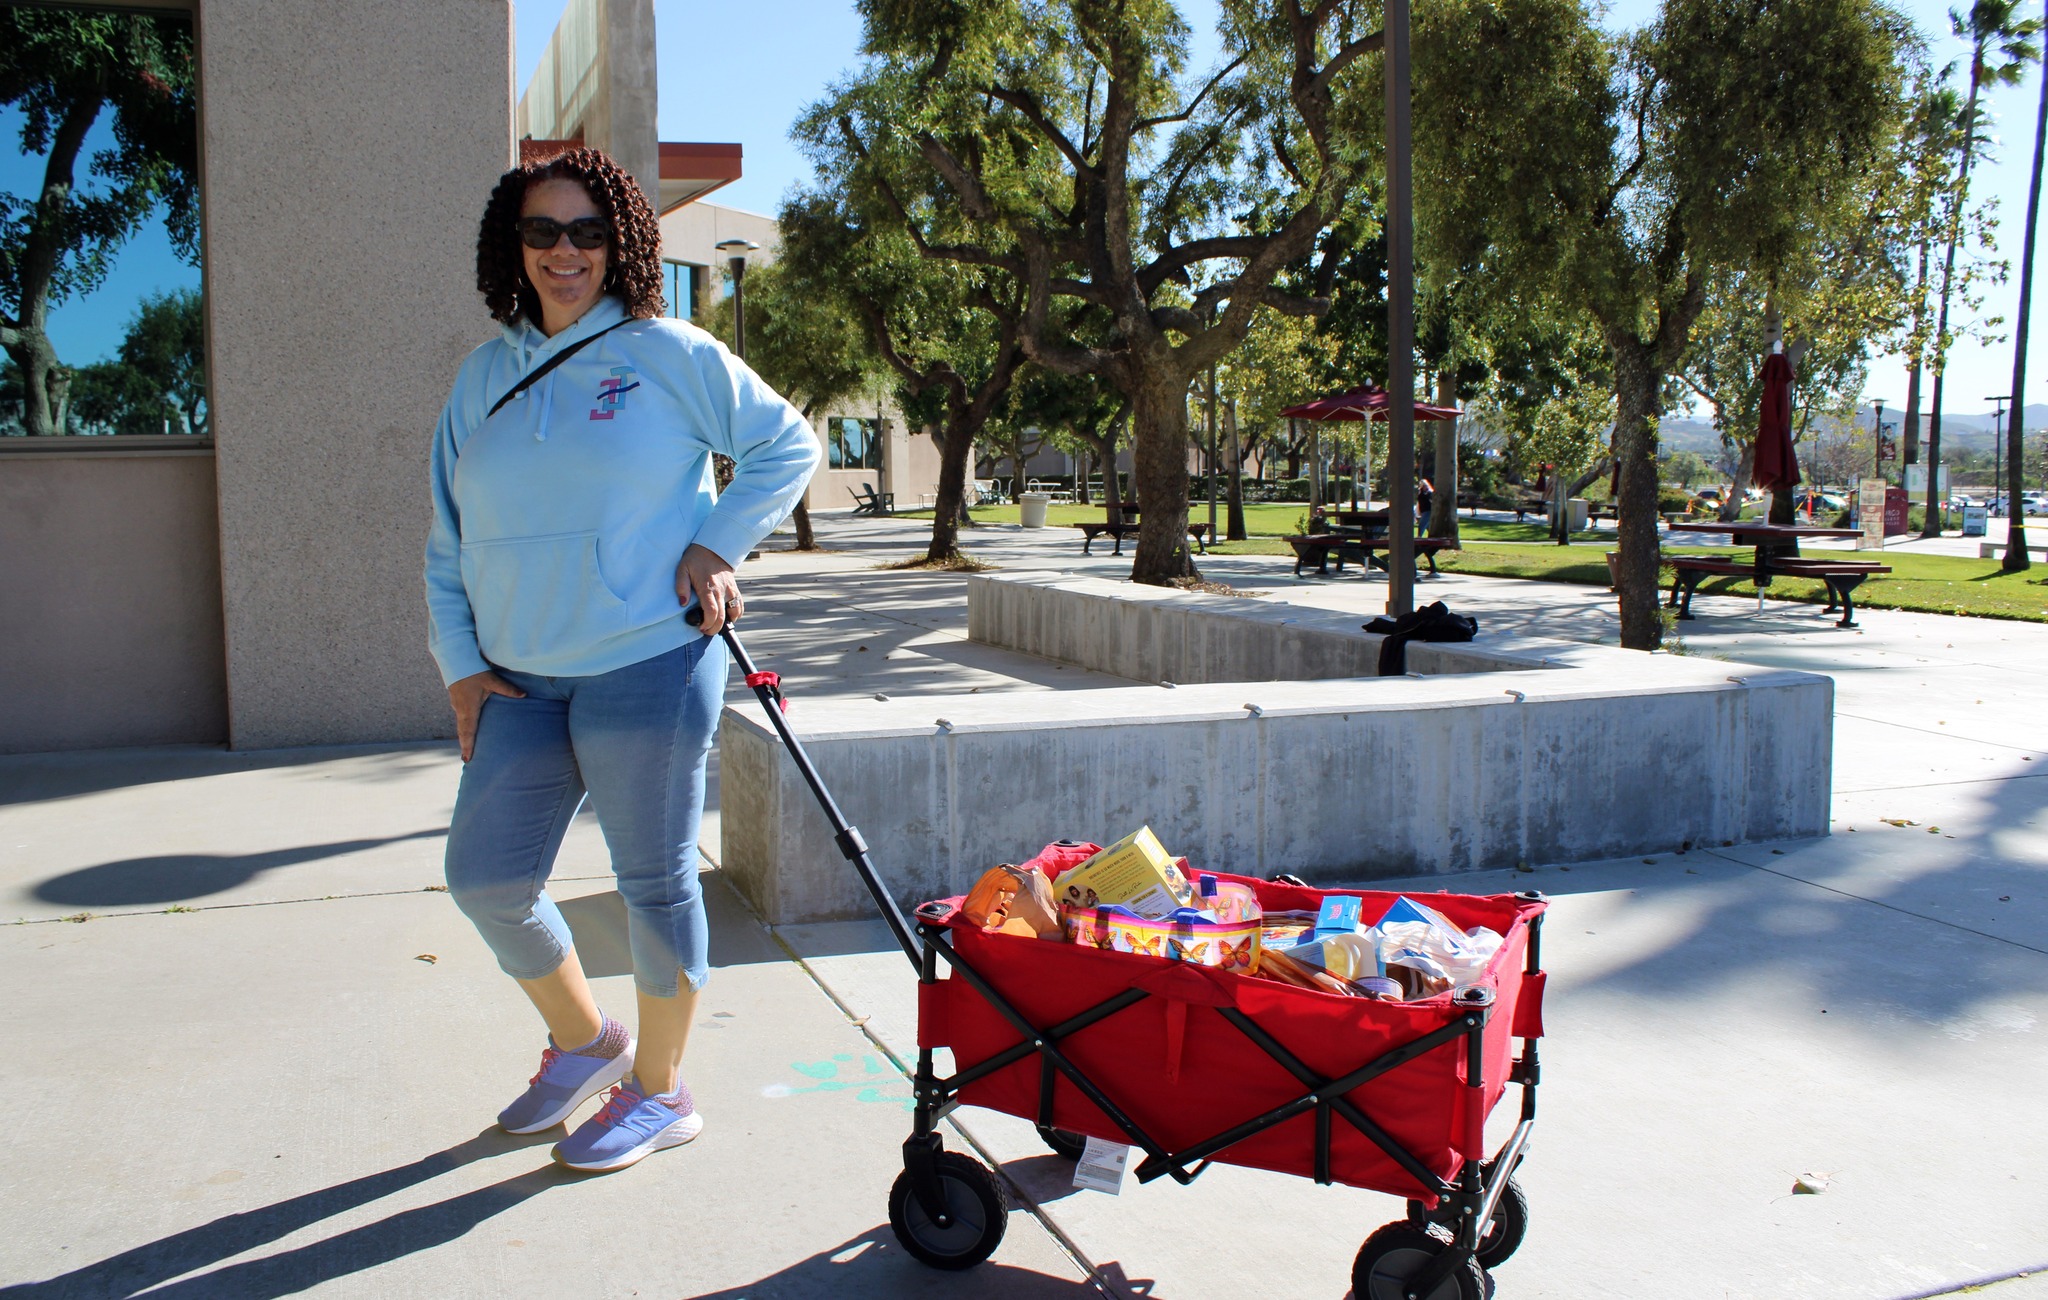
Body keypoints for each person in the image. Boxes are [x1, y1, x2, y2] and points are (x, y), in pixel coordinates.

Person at [424, 147, 819, 1173]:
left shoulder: (666, 352)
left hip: (648, 658)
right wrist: (461, 663)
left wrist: (715, 542)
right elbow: (444, 536)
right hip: (518, 677)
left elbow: (784, 445)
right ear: (512, 246)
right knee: (486, 878)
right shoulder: (481, 377)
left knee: (651, 881)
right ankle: (585, 1042)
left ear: (622, 244)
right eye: (544, 232)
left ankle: (660, 1088)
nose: (566, 252)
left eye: (588, 232)